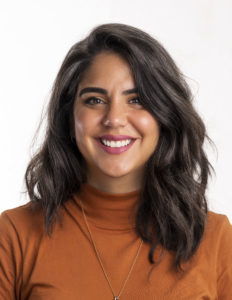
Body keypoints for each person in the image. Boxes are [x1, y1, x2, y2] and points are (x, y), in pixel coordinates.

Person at [0, 23, 231, 300]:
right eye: (95, 100)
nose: (114, 118)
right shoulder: (14, 234)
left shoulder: (216, 239)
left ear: (164, 115)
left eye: (136, 100)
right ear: (69, 117)